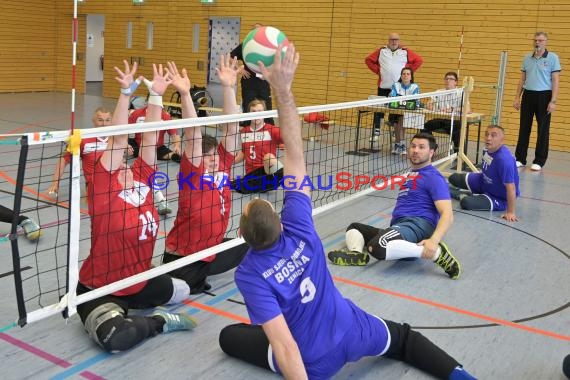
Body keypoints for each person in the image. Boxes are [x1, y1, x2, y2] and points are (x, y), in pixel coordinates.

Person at [218, 44, 475, 380]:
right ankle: (461, 375)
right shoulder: (300, 227)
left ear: (243, 235)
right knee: (405, 339)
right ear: (280, 222)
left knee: (230, 336)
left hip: (313, 360)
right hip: (352, 329)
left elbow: (285, 348)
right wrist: (282, 88)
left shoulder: (249, 273)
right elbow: (295, 154)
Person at [76, 60, 195, 354]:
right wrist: (125, 94)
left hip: (139, 278)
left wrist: (156, 95)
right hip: (100, 289)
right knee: (115, 340)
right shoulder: (104, 188)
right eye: (117, 165)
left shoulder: (143, 178)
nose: (124, 167)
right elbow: (118, 139)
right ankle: (157, 322)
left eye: (127, 165)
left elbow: (150, 137)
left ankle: (143, 293)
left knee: (184, 291)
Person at [161, 55, 248, 294]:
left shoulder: (223, 165)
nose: (213, 159)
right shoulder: (194, 175)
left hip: (212, 249)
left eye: (215, 155)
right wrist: (186, 95)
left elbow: (231, 127)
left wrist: (229, 87)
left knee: (254, 240)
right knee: (181, 292)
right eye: (207, 156)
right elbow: (193, 133)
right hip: (185, 258)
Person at [328, 132, 461, 279]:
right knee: (355, 228)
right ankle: (356, 254)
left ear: (431, 152)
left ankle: (436, 253)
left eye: (421, 147)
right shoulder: (413, 174)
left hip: (418, 226)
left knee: (377, 246)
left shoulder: (433, 177)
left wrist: (434, 241)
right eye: (413, 146)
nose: (415, 150)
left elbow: (447, 214)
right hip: (402, 227)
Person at [46, 107, 112, 215]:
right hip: (94, 184)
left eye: (107, 120)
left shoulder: (117, 138)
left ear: (112, 121)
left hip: (115, 182)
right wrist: (55, 183)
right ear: (94, 121)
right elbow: (63, 160)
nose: (104, 124)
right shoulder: (83, 140)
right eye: (100, 120)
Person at [448, 125, 520, 222]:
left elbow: (511, 188)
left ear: (502, 141)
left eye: (493, 135)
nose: (488, 138)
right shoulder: (487, 149)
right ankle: (475, 193)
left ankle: (463, 194)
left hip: (499, 197)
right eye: (487, 134)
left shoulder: (504, 160)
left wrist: (510, 212)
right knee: (454, 177)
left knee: (466, 203)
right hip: (484, 182)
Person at [513, 31, 561, 172]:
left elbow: (555, 80)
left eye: (540, 40)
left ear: (546, 42)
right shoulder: (527, 58)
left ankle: (539, 160)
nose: (537, 42)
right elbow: (522, 79)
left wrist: (553, 101)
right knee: (524, 128)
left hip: (544, 96)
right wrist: (517, 97)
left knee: (543, 130)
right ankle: (520, 158)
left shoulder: (552, 58)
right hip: (528, 95)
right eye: (536, 40)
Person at [365, 32, 423, 142]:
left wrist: (407, 72)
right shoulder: (381, 51)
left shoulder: (405, 52)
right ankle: (376, 131)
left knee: (395, 111)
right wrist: (378, 71)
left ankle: (394, 132)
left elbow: (419, 60)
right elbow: (368, 60)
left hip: (397, 88)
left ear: (399, 41)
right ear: (388, 40)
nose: (394, 41)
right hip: (383, 86)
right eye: (392, 39)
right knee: (379, 110)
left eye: (396, 39)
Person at [128, 104, 180, 215]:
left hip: (157, 147)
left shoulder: (165, 116)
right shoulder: (137, 114)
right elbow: (123, 131)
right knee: (123, 143)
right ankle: (161, 200)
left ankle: (161, 200)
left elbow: (174, 134)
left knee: (148, 168)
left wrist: (177, 145)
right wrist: (125, 145)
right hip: (139, 145)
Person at [232, 99, 284, 194]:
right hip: (251, 175)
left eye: (260, 112)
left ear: (265, 113)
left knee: (269, 157)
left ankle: (286, 182)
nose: (256, 115)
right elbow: (244, 153)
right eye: (254, 112)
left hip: (267, 173)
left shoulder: (273, 130)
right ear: (248, 113)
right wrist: (228, 162)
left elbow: (290, 143)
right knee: (231, 185)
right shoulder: (244, 131)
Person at [231, 24, 274, 124]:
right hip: (249, 81)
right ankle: (247, 128)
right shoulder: (245, 45)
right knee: (248, 106)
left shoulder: (268, 46)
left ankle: (268, 128)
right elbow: (231, 57)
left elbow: (275, 62)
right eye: (255, 31)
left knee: (266, 106)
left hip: (263, 82)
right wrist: (240, 70)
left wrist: (268, 74)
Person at [423, 72, 471, 153]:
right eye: (447, 79)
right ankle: (432, 146)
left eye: (451, 79)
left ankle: (459, 152)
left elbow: (468, 109)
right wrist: (430, 105)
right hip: (440, 119)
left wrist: (453, 109)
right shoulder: (439, 92)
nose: (448, 81)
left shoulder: (461, 93)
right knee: (424, 127)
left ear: (456, 82)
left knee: (458, 129)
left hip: (454, 121)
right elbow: (429, 103)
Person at [389, 67, 421, 155]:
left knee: (401, 120)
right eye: (403, 74)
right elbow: (392, 98)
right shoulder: (396, 85)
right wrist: (405, 102)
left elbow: (416, 101)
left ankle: (398, 144)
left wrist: (401, 101)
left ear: (411, 76)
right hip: (395, 111)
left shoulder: (415, 87)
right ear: (401, 76)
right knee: (397, 122)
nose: (405, 75)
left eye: (408, 74)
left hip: (410, 114)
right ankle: (400, 144)